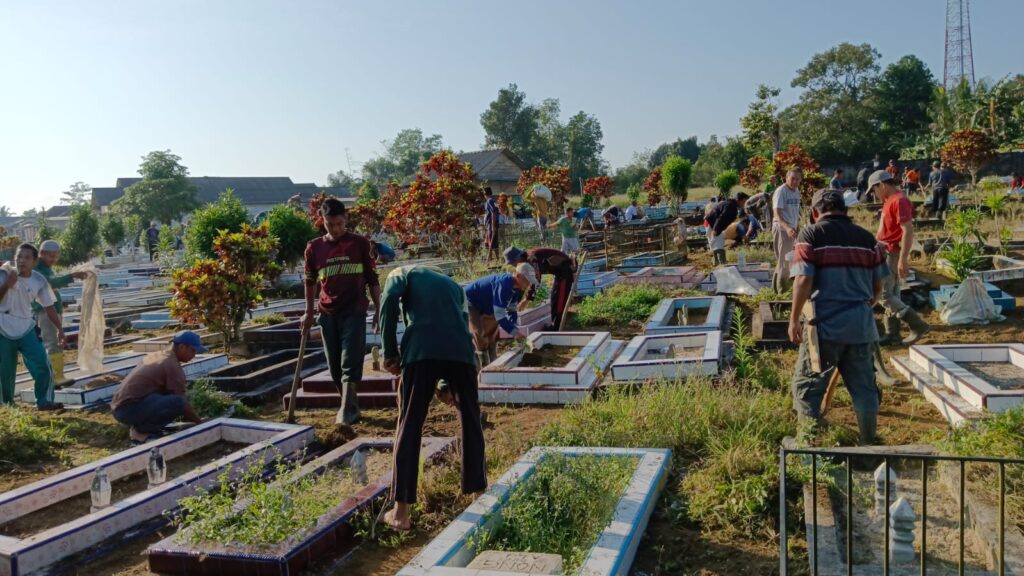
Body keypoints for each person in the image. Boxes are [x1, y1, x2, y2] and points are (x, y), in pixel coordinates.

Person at [379, 265, 486, 531]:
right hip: (462, 353)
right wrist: (444, 383)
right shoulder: (453, 286)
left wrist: (389, 352)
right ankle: (478, 494)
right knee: (471, 420)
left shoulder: (402, 272)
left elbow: (389, 301)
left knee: (410, 423)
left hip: (421, 350)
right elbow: (458, 324)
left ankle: (401, 512)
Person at [789, 189, 887, 444]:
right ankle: (869, 443)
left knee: (808, 388)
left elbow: (803, 278)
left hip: (825, 329)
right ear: (845, 209)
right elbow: (878, 290)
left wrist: (793, 319)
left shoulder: (811, 234)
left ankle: (807, 446)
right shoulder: (867, 239)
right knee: (865, 389)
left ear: (814, 212)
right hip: (861, 328)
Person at [301, 197, 381, 426]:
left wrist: (379, 309)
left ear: (345, 219)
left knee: (350, 360)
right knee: (334, 366)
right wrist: (308, 312)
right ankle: (349, 404)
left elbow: (372, 279)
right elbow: (309, 282)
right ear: (322, 221)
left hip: (354, 309)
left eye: (339, 224)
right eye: (330, 225)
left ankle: (347, 411)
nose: (336, 229)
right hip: (327, 313)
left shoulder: (359, 244)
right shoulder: (314, 248)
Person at [868, 171, 931, 345]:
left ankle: (917, 325)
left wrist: (903, 259)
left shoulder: (899, 200)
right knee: (893, 292)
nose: (874, 195)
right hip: (885, 250)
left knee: (884, 295)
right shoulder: (890, 201)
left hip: (891, 253)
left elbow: (907, 230)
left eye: (874, 190)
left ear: (881, 184)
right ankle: (892, 333)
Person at [0, 244, 65, 410]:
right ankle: (7, 405)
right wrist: (7, 284)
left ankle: (44, 401)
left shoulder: (39, 280)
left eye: (26, 257)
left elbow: (48, 306)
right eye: (19, 257)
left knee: (42, 364)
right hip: (3, 327)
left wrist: (59, 328)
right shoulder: (4, 274)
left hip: (26, 326)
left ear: (35, 261)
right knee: (5, 372)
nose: (21, 261)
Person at [111, 331, 205, 444]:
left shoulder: (159, 355)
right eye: (193, 351)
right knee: (178, 402)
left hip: (120, 407)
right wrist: (200, 423)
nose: (194, 356)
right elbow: (182, 403)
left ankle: (142, 426)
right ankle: (143, 431)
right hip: (127, 410)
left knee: (170, 396)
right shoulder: (171, 364)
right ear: (182, 347)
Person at [33, 240, 87, 386]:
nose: (54, 260)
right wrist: (73, 275)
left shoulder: (46, 267)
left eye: (56, 257)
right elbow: (52, 283)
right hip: (45, 311)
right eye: (51, 256)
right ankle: (56, 377)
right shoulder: (37, 268)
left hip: (54, 309)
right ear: (41, 253)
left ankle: (58, 374)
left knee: (56, 342)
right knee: (52, 342)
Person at [464, 266, 536, 367]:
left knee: (493, 334)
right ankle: (483, 367)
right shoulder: (504, 284)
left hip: (488, 304)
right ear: (518, 276)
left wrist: (515, 328)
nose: (529, 284)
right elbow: (500, 316)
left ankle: (493, 363)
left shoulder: (516, 289)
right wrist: (515, 333)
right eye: (527, 281)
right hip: (471, 301)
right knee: (480, 334)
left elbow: (511, 310)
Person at [504, 246, 575, 328]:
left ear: (518, 258)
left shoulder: (531, 258)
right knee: (554, 298)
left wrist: (527, 299)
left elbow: (536, 280)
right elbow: (522, 282)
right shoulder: (525, 262)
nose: (514, 265)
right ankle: (556, 325)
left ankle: (556, 328)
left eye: (513, 263)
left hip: (564, 271)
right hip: (559, 273)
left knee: (559, 300)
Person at [772, 168, 802, 292]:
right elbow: (777, 215)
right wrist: (788, 228)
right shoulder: (781, 191)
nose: (795, 182)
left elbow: (795, 212)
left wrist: (796, 226)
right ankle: (781, 291)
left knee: (786, 260)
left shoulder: (796, 191)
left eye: (798, 179)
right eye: (792, 178)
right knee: (784, 261)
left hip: (791, 229)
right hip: (782, 229)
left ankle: (775, 288)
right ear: (786, 177)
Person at [706, 192, 749, 265]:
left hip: (712, 223)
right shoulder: (731, 207)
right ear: (738, 200)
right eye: (744, 201)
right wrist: (715, 230)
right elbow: (721, 218)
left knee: (717, 244)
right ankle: (721, 263)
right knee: (718, 245)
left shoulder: (731, 205)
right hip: (713, 224)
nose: (744, 204)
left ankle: (717, 262)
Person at [482, 187, 500, 263]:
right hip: (489, 225)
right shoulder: (490, 201)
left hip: (491, 225)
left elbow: (494, 213)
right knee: (490, 242)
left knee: (492, 243)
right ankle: (494, 259)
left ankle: (491, 260)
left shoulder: (490, 201)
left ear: (485, 194)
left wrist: (493, 226)